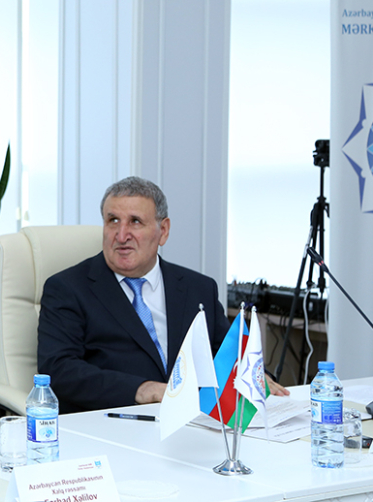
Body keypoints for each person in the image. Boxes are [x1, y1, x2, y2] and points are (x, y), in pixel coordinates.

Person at [37, 176, 285, 414]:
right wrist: (142, 389)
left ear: (163, 231)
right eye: (113, 220)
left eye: (135, 221)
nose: (121, 235)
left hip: (193, 421)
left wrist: (252, 373)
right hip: (111, 422)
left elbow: (226, 354)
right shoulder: (68, 288)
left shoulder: (199, 288)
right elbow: (59, 370)